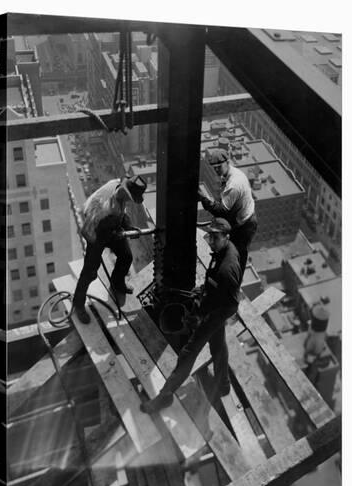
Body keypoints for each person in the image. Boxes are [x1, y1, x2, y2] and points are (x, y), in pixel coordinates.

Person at [140, 218, 242, 414]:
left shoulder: (226, 269)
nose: (211, 240)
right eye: (210, 235)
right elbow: (217, 287)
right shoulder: (225, 250)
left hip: (217, 312)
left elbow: (230, 303)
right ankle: (223, 384)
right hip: (215, 306)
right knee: (218, 346)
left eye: (216, 237)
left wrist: (202, 315)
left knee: (188, 353)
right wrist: (204, 291)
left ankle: (164, 397)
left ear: (226, 237)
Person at [73, 175, 147, 324]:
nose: (129, 200)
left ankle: (117, 283)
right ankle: (78, 304)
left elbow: (121, 213)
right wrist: (116, 233)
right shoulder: (105, 208)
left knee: (126, 256)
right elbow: (100, 229)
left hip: (111, 226)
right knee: (90, 271)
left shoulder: (115, 185)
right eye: (129, 197)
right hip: (95, 232)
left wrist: (128, 227)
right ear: (125, 191)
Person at [198, 148, 257, 273]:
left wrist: (204, 198)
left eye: (219, 166)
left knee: (237, 256)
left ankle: (232, 284)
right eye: (214, 167)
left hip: (244, 225)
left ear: (227, 162)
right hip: (242, 219)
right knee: (231, 252)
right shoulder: (232, 173)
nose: (217, 170)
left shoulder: (234, 184)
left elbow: (221, 211)